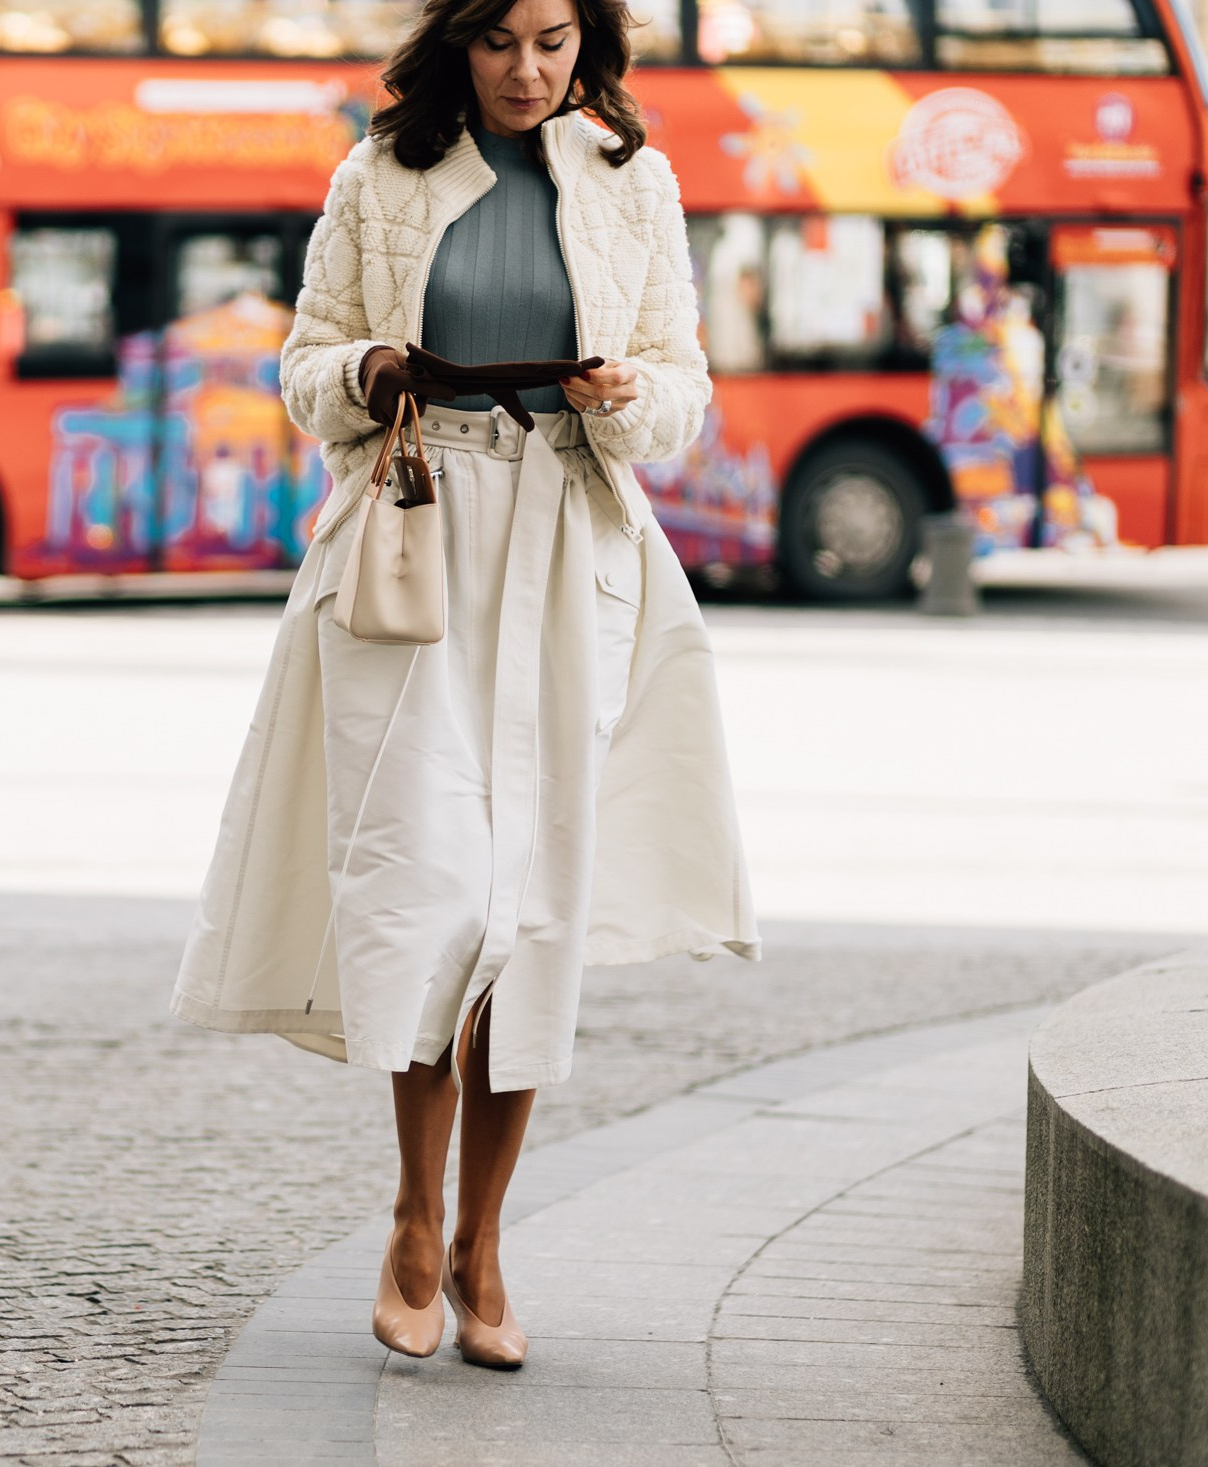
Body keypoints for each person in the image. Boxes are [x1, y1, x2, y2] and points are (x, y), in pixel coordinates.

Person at [169, 0, 758, 1370]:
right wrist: (366, 369)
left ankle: (487, 1239)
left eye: (553, 41)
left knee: (529, 908)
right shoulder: (380, 173)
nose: (527, 70)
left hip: (567, 554)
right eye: (500, 41)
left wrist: (625, 395)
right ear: (460, 43)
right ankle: (411, 1222)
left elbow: (686, 391)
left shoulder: (635, 180)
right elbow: (305, 360)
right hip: (416, 545)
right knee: (423, 893)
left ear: (587, 44)